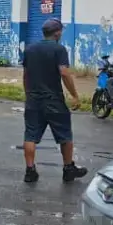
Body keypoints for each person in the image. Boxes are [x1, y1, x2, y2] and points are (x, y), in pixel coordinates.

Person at [21, 19, 87, 183]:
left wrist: (28, 94)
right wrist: (75, 95)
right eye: (61, 31)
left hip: (34, 100)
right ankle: (68, 168)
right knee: (64, 135)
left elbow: (25, 75)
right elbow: (64, 73)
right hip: (54, 100)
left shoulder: (30, 49)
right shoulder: (59, 49)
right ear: (57, 32)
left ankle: (30, 170)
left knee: (30, 135)